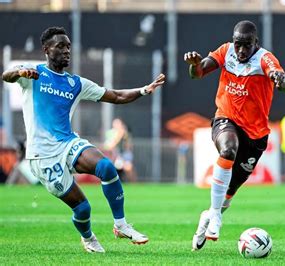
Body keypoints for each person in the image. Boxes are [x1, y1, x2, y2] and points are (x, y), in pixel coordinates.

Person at [1, 26, 165, 253]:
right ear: (46, 50)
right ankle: (88, 237)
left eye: (68, 46)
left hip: (67, 143)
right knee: (83, 209)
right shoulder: (34, 74)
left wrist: (145, 90)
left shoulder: (75, 83)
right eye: (60, 46)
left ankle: (121, 224)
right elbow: (6, 76)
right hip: (42, 156)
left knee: (107, 168)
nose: (66, 50)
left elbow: (116, 95)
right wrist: (19, 71)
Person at [184, 20, 285, 251]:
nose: (241, 50)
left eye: (247, 45)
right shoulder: (225, 51)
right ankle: (215, 216)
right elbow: (197, 73)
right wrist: (194, 65)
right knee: (228, 149)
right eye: (238, 44)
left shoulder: (265, 59)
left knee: (228, 194)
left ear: (256, 43)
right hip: (226, 119)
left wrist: (280, 80)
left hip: (256, 135)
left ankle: (208, 217)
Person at [104, 118, 137, 182]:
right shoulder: (111, 133)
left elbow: (128, 145)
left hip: (124, 154)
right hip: (115, 155)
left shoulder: (124, 133)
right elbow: (109, 145)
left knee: (128, 167)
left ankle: (134, 183)